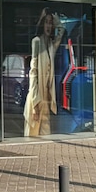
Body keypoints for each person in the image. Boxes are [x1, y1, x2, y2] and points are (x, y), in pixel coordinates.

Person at [24, 9, 64, 137]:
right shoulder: (36, 41)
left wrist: (56, 20)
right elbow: (33, 71)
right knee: (33, 136)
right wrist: (35, 103)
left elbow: (61, 30)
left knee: (46, 135)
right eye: (46, 22)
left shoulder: (51, 45)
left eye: (51, 23)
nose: (49, 25)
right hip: (37, 96)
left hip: (46, 97)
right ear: (42, 24)